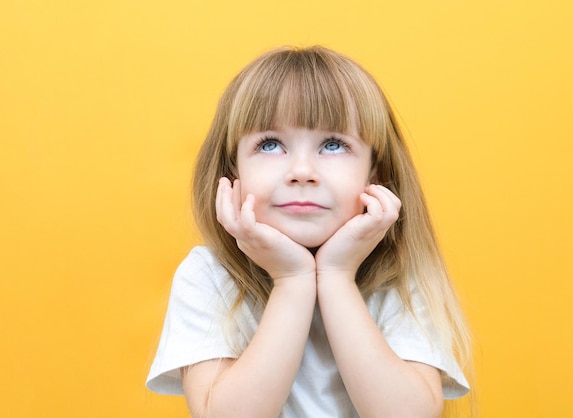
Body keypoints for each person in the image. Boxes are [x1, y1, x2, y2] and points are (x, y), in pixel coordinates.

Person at [146, 45, 473, 418]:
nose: (302, 171)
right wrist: (293, 279)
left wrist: (336, 276)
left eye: (333, 145)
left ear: (376, 176)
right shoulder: (208, 276)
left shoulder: (397, 278)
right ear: (231, 174)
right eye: (270, 145)